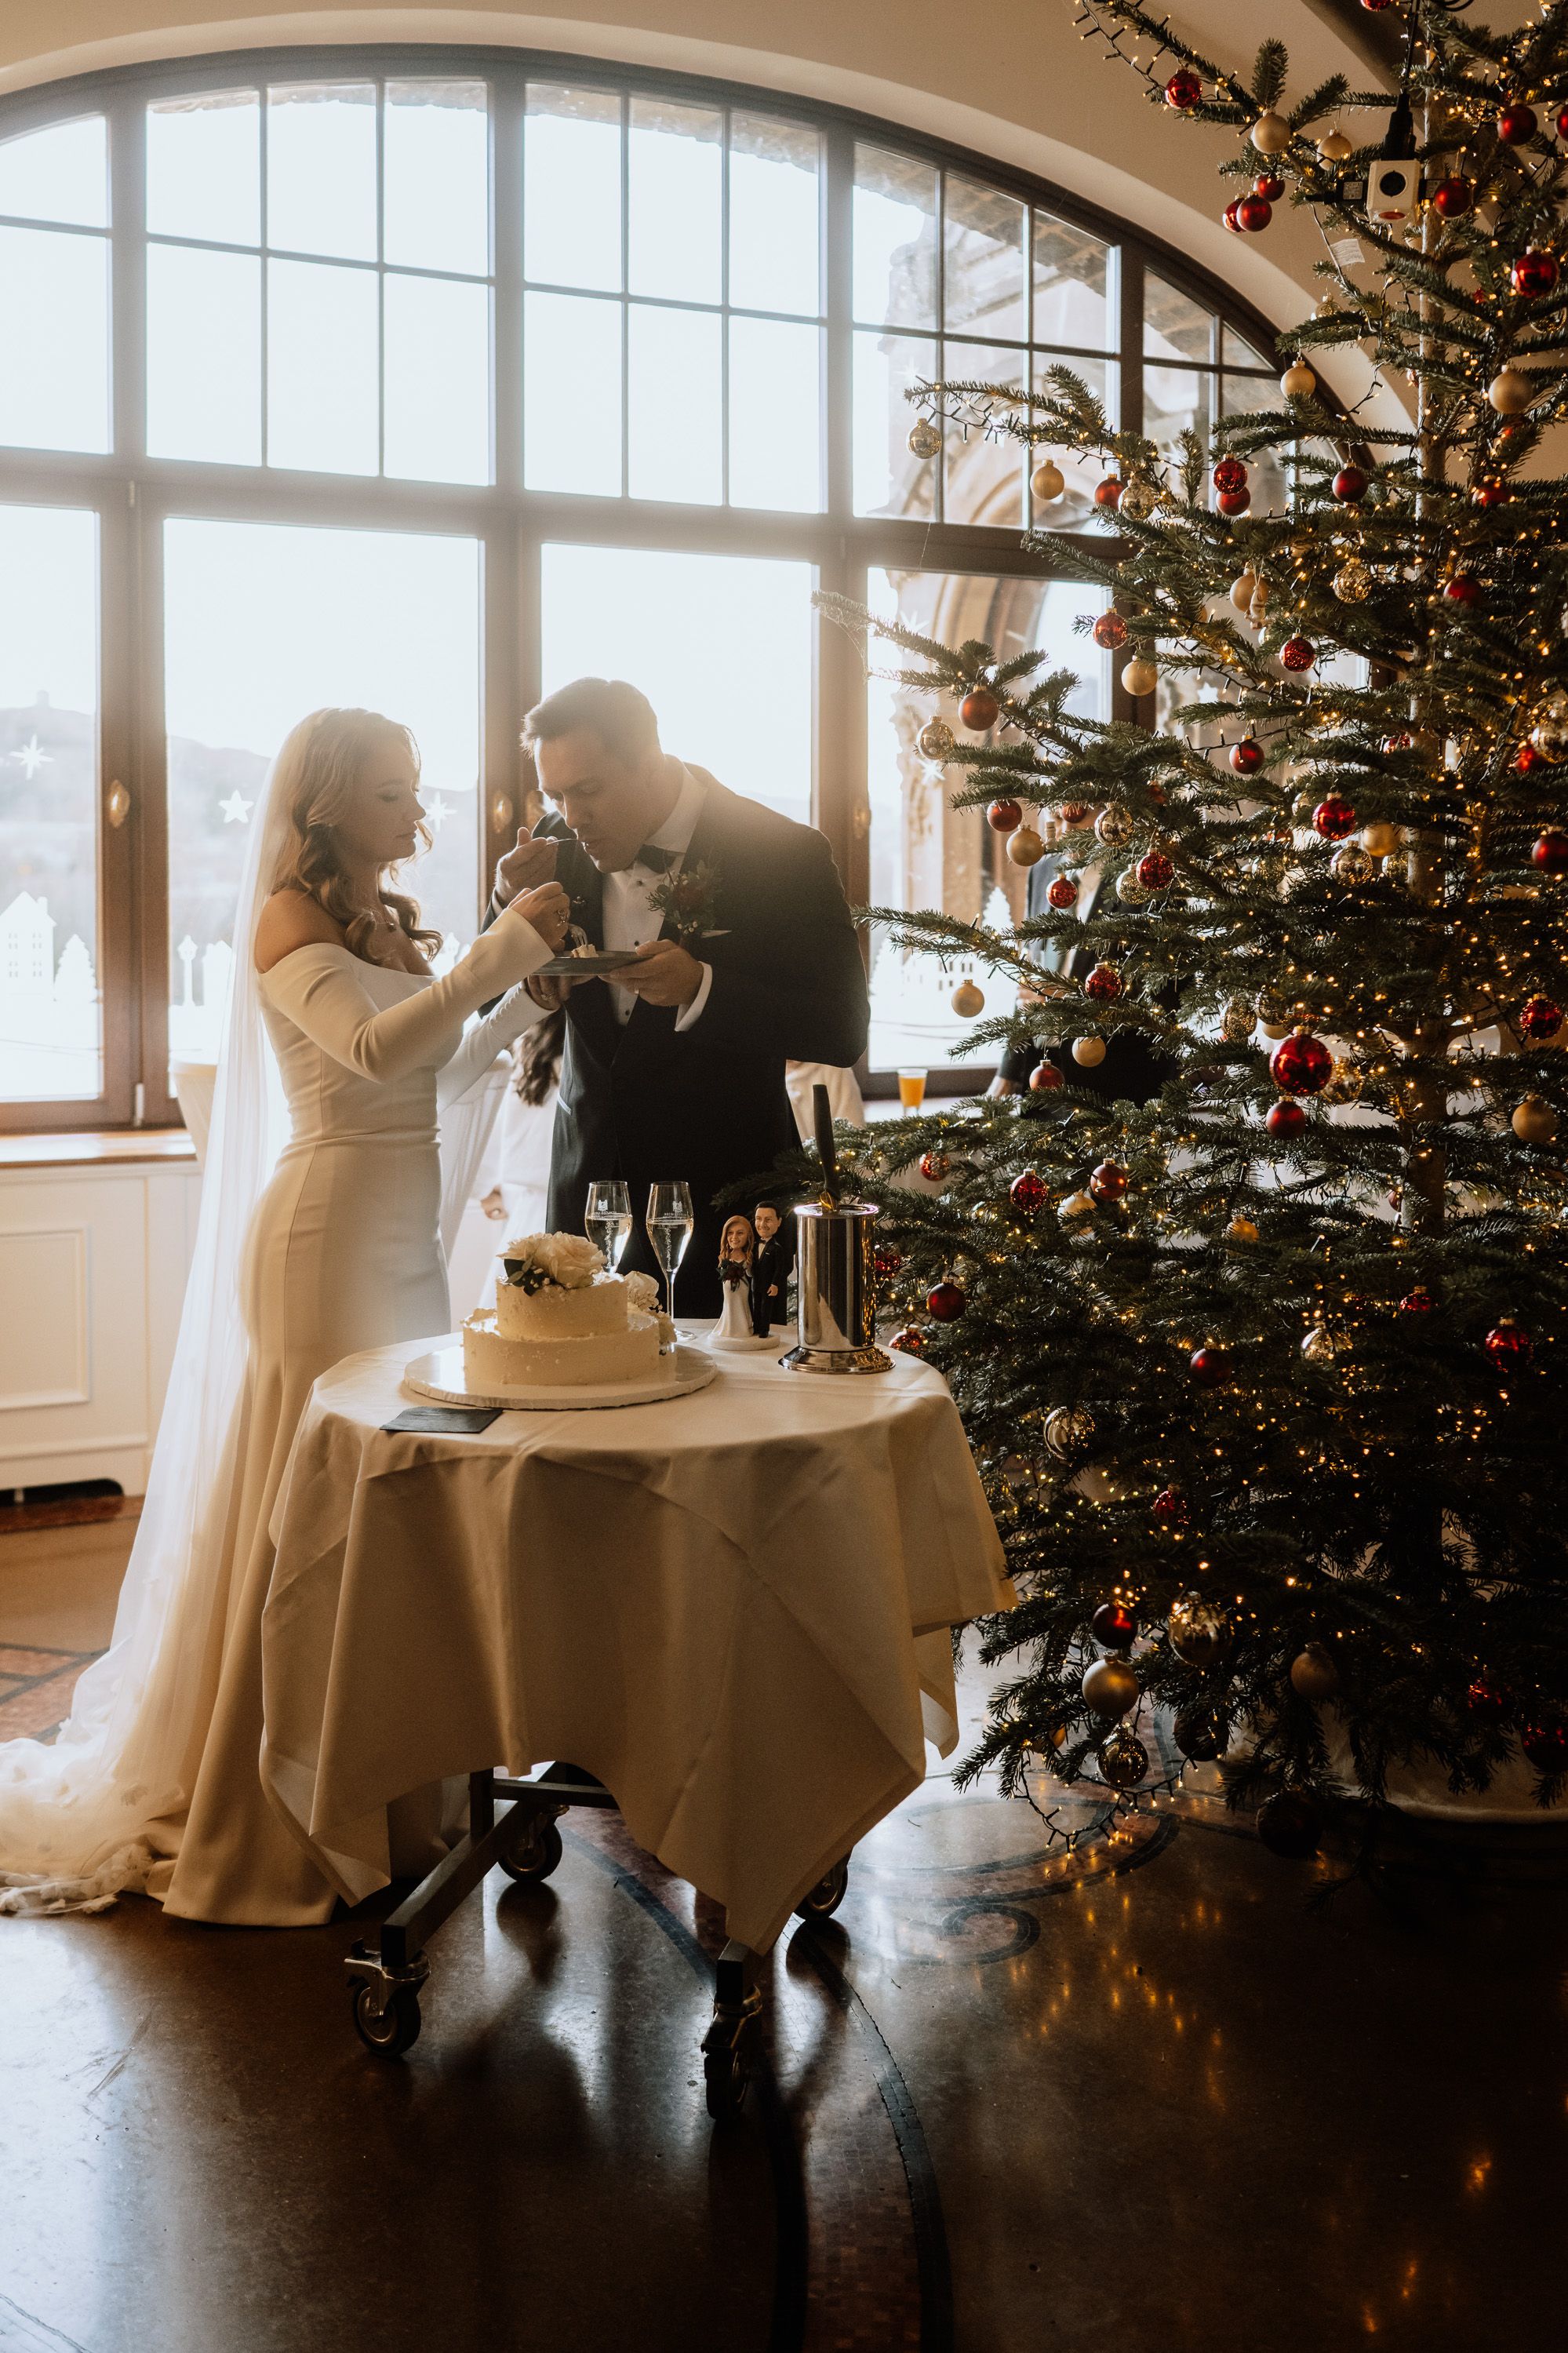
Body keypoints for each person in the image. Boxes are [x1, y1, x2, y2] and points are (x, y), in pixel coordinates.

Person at [0, 708, 568, 1922]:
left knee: (388, 1514)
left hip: (400, 1251)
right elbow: (366, 1052)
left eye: (414, 790)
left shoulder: (389, 927)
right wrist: (493, 958)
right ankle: (265, 1805)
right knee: (302, 1506)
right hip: (317, 1247)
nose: (413, 813)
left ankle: (382, 1783)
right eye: (385, 792)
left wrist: (523, 1001)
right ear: (320, 807)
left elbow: (435, 1072)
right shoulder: (285, 918)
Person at [489, 677, 869, 1317]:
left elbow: (839, 1028)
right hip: (587, 1204)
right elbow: (483, 1001)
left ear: (650, 758)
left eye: (587, 790)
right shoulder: (552, 849)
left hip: (730, 1209)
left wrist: (703, 990)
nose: (570, 814)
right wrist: (506, 911)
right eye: (554, 793)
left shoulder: (783, 853)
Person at [991, 828, 1170, 1105]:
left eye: (1076, 814)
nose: (1065, 830)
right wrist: (1007, 1073)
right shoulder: (1043, 870)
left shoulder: (1146, 877)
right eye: (1057, 816)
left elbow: (1164, 997)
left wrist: (1069, 1001)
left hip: (1117, 1090)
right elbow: (1031, 980)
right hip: (1041, 1082)